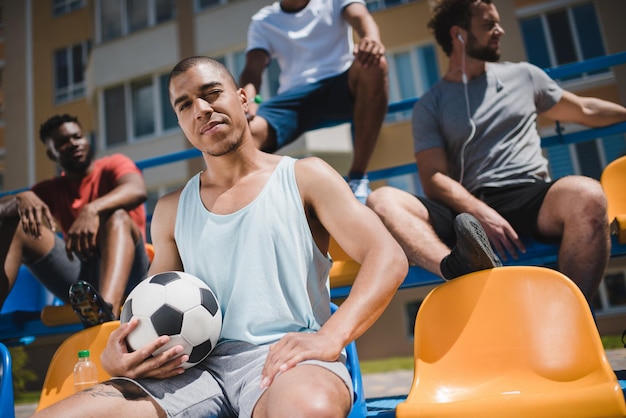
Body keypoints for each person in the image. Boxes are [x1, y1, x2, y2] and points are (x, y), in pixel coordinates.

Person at [32, 57, 501, 418]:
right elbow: (154, 303)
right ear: (180, 122)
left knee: (307, 410)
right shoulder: (172, 209)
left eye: (211, 93)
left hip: (288, 360)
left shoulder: (306, 177)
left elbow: (387, 257)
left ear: (242, 99)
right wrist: (124, 347)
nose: (201, 109)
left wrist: (330, 338)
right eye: (184, 105)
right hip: (193, 370)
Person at [366, 0, 626, 303]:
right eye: (489, 24)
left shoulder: (526, 76)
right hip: (465, 211)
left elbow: (584, 109)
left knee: (588, 195)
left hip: (529, 196)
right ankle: (456, 266)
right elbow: (433, 177)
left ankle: (568, 317)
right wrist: (478, 211)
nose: (499, 31)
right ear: (458, 34)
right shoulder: (430, 104)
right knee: (381, 199)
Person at [0, 114, 149, 323]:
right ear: (51, 154)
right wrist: (20, 198)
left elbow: (137, 189)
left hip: (132, 272)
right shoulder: (51, 189)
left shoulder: (113, 164)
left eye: (77, 136)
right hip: (83, 278)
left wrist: (93, 209)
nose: (72, 144)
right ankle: (96, 309)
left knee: (116, 216)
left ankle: (103, 317)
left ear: (86, 139)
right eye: (62, 143)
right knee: (16, 224)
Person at [238, 0, 388, 203]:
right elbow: (253, 68)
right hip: (295, 99)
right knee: (245, 131)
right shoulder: (263, 20)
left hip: (341, 85)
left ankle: (358, 177)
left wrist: (371, 39)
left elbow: (361, 17)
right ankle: (261, 199)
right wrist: (249, 99)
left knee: (375, 64)